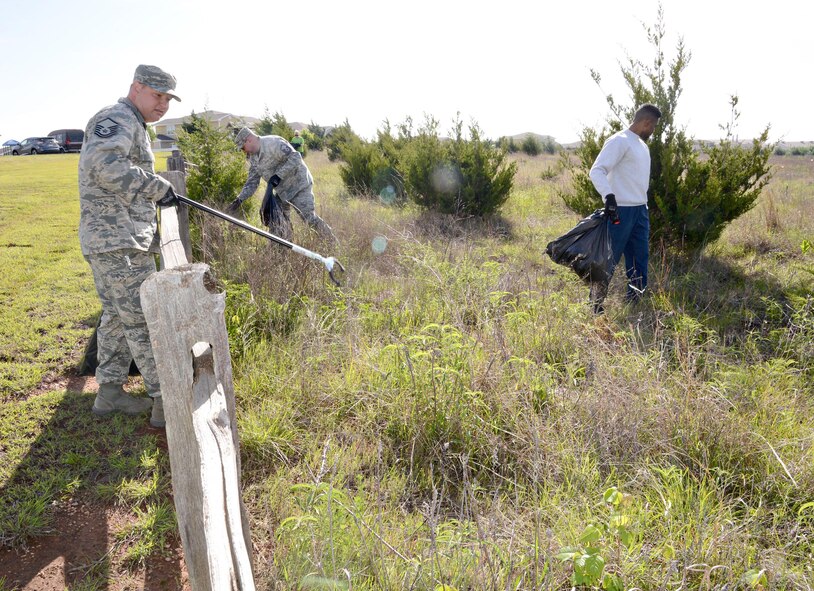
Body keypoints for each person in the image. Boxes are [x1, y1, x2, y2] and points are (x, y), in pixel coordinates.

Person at [78, 64, 182, 428]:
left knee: (117, 318)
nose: (163, 105)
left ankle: (109, 393)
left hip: (117, 240)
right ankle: (164, 400)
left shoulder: (133, 123)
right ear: (136, 87)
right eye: (157, 96)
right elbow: (103, 164)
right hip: (116, 241)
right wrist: (158, 187)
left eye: (168, 98)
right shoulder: (117, 118)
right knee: (142, 319)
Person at [588, 103, 662, 314]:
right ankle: (595, 304)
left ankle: (635, 299)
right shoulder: (619, 141)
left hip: (640, 210)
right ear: (646, 122)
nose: (653, 131)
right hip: (620, 211)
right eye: (654, 126)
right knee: (608, 259)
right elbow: (597, 170)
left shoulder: (642, 145)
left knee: (640, 257)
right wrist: (609, 196)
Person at [227, 127, 336, 243]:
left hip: (299, 186)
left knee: (309, 219)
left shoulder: (273, 143)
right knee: (277, 221)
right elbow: (252, 182)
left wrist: (278, 176)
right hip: (282, 192)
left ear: (249, 140)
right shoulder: (253, 158)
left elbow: (296, 157)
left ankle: (333, 245)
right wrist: (239, 200)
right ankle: (283, 248)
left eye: (243, 148)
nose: (244, 151)